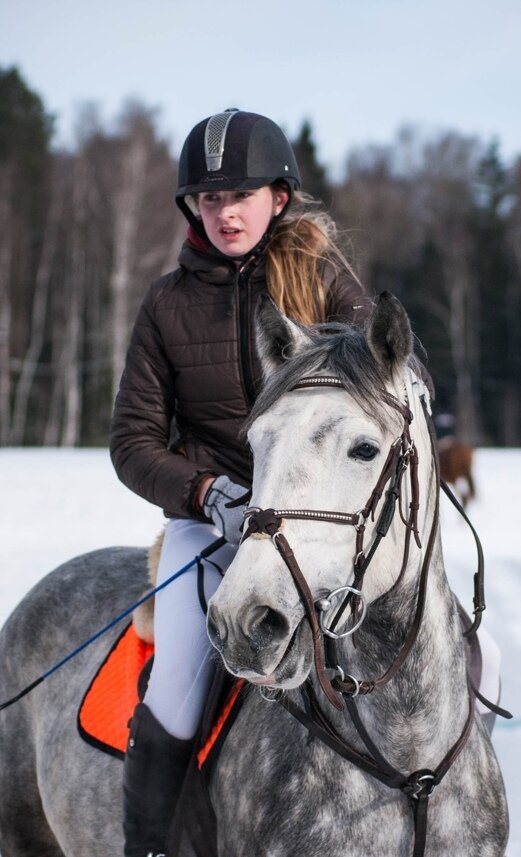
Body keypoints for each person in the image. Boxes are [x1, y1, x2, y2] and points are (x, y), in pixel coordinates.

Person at [110, 108, 371, 856]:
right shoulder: (166, 304)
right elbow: (131, 443)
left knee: (474, 651)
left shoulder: (321, 276)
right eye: (209, 199)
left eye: (240, 196)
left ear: (278, 198)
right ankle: (151, 846)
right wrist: (204, 495)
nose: (225, 213)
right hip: (214, 526)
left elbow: (387, 372)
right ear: (192, 206)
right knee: (177, 690)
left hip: (317, 524)